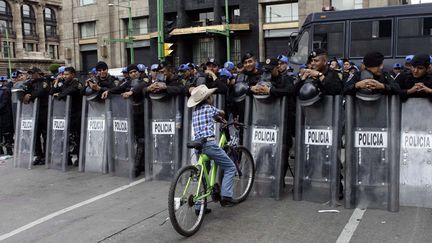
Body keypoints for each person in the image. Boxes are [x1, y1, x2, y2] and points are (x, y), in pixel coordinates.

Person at [187, 84, 237, 207]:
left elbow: (211, 118)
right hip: (209, 145)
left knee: (203, 176)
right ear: (208, 98)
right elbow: (222, 112)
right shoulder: (210, 108)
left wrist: (218, 119)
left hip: (199, 146)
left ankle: (199, 206)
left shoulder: (195, 112)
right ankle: (226, 195)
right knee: (230, 167)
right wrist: (221, 116)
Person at [50, 66, 82, 165]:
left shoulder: (77, 83)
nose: (64, 76)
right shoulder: (63, 84)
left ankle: (79, 158)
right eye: (64, 74)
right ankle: (67, 158)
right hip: (65, 114)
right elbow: (51, 92)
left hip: (76, 114)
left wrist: (59, 95)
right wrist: (56, 83)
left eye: (67, 74)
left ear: (73, 75)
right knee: (67, 137)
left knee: (77, 137)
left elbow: (70, 91)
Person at [23, 67, 50, 165]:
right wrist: (25, 96)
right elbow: (24, 93)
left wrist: (30, 95)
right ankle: (39, 155)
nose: (31, 75)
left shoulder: (45, 81)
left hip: (44, 110)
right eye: (29, 73)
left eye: (32, 73)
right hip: (34, 111)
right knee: (36, 134)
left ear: (38, 73)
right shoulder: (30, 83)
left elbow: (41, 92)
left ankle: (46, 156)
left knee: (45, 134)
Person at [0, 76, 14, 155]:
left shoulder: (6, 91)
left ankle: (9, 150)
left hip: (5, 115)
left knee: (6, 133)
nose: (2, 83)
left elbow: (4, 103)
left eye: (3, 81)